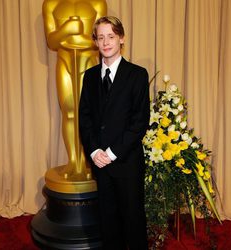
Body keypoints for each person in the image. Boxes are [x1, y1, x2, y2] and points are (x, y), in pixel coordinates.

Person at [79, 16, 150, 250]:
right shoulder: (89, 77)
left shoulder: (137, 74)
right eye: (101, 37)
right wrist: (94, 151)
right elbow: (85, 119)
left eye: (111, 36)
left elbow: (139, 122)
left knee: (133, 222)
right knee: (108, 224)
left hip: (127, 162)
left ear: (121, 38)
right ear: (95, 42)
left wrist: (111, 152)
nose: (106, 42)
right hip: (100, 163)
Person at [42, 0, 107, 181]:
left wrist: (77, 37)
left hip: (88, 63)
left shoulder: (97, 4)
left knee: (90, 113)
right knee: (69, 112)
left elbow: (101, 41)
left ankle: (88, 161)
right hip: (64, 61)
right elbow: (52, 41)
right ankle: (73, 161)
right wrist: (66, 30)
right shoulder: (51, 4)